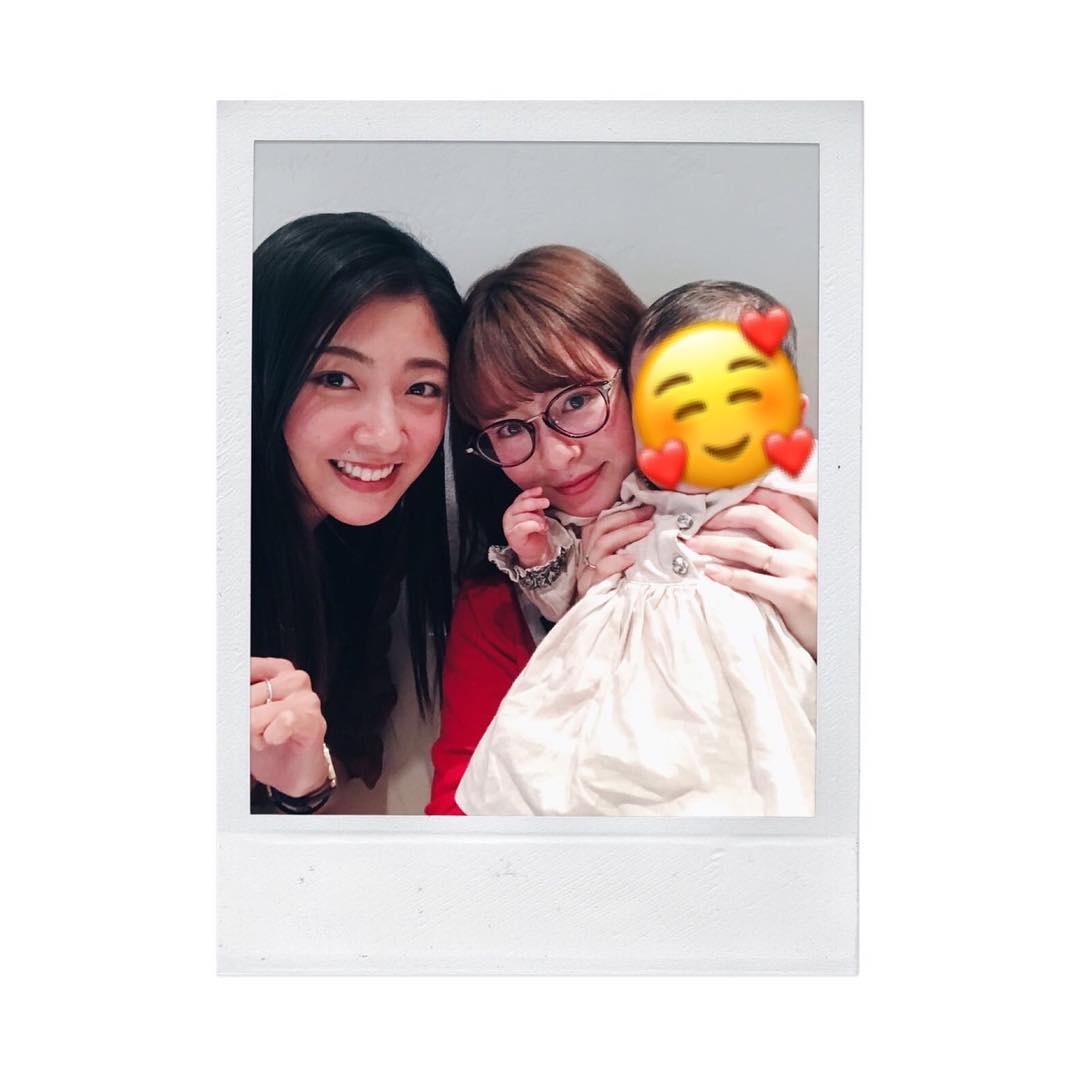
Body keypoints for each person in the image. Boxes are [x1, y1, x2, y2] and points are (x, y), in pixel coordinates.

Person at [426, 250, 817, 814]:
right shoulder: (496, 607)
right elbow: (459, 821)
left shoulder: (793, 512)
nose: (556, 457)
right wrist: (576, 614)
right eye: (509, 428)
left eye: (578, 400)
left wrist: (836, 635)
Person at [249, 212, 463, 813]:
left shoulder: (362, 548)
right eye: (337, 378)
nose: (385, 436)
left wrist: (301, 785)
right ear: (263, 372)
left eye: (422, 388)